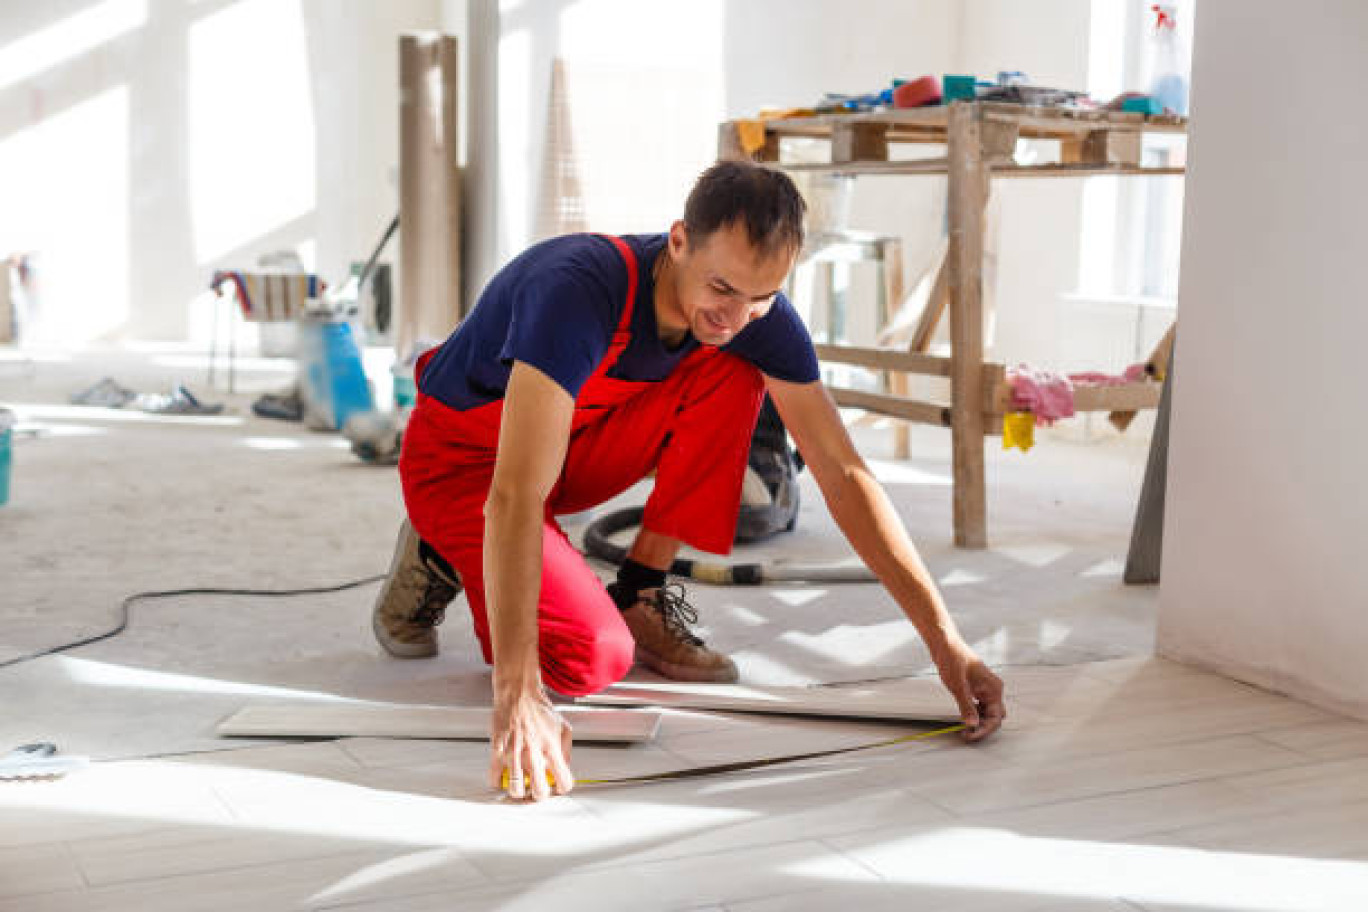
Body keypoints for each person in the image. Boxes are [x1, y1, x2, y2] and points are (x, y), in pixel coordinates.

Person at [372, 161, 1006, 801]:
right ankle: (437, 546)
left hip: (569, 449)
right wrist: (518, 696)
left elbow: (844, 472)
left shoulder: (754, 316)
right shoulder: (576, 290)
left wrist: (947, 643)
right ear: (678, 241)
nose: (735, 314)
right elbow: (512, 495)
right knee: (590, 660)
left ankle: (642, 590)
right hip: (467, 468)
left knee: (736, 370)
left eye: (760, 296)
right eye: (722, 288)